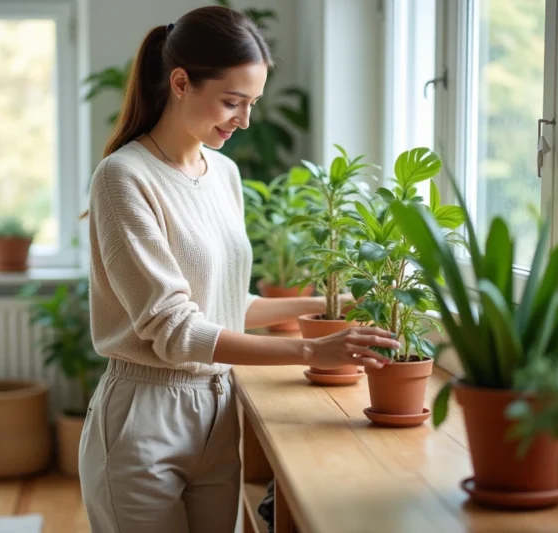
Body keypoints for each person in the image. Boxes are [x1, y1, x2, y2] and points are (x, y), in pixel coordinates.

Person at [78, 6, 399, 533]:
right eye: (232, 102)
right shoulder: (123, 178)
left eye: (252, 104)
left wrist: (330, 307)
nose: (244, 121)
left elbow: (227, 305)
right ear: (180, 82)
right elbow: (175, 330)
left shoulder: (223, 173)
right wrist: (308, 350)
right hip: (144, 417)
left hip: (220, 410)